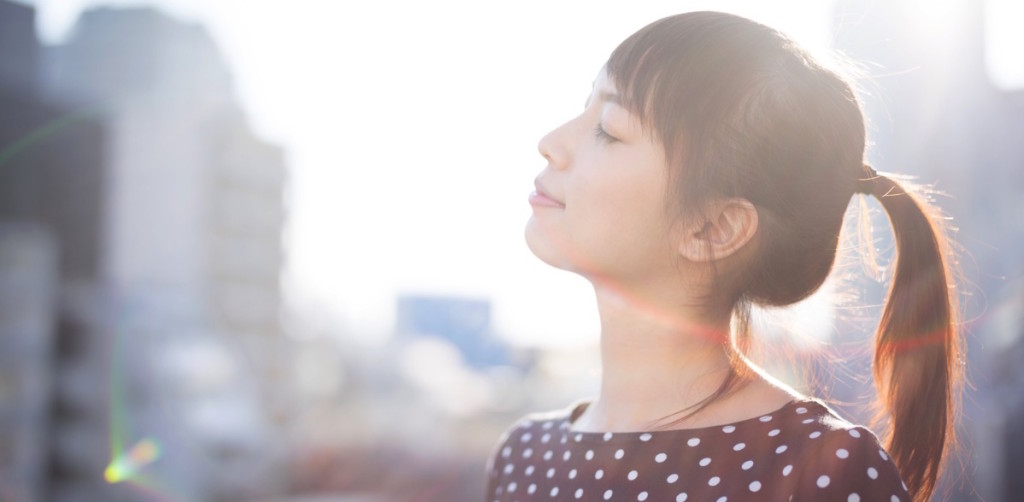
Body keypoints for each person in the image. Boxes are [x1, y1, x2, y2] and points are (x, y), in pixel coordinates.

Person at [485, 11, 962, 502]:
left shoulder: (819, 470)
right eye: (586, 108)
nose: (550, 144)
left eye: (608, 128)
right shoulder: (523, 456)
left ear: (713, 228)